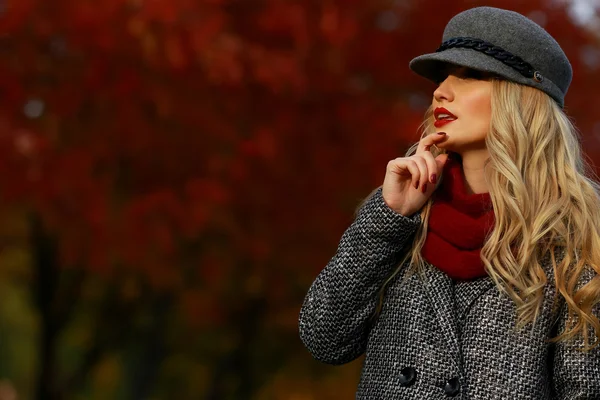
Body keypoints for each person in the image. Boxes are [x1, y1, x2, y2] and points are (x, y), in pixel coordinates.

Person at [298, 6, 600, 400]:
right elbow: (324, 338)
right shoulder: (403, 213)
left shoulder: (574, 237)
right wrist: (387, 219)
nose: (441, 90)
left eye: (470, 75)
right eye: (443, 77)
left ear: (523, 99)